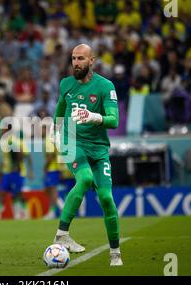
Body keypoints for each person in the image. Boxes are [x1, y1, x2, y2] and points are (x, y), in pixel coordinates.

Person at [49, 44, 122, 266]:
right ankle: (62, 234)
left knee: (107, 199)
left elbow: (114, 120)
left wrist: (93, 116)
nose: (76, 63)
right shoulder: (66, 84)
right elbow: (60, 111)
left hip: (99, 149)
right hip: (73, 141)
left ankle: (115, 253)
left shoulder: (105, 86)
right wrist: (54, 131)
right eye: (73, 58)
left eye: (81, 58)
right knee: (86, 179)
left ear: (92, 61)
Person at [0, 125, 33, 220]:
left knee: (17, 193)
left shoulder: (13, 140)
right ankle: (15, 215)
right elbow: (3, 159)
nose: (1, 130)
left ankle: (25, 214)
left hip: (17, 172)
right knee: (5, 192)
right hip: (7, 172)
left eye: (2, 128)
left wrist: (17, 167)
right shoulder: (4, 141)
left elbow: (21, 154)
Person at [43, 124, 60, 220]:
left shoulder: (48, 139)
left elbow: (50, 156)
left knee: (52, 190)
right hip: (54, 168)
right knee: (49, 190)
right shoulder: (52, 138)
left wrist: (45, 167)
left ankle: (53, 211)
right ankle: (52, 210)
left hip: (52, 169)